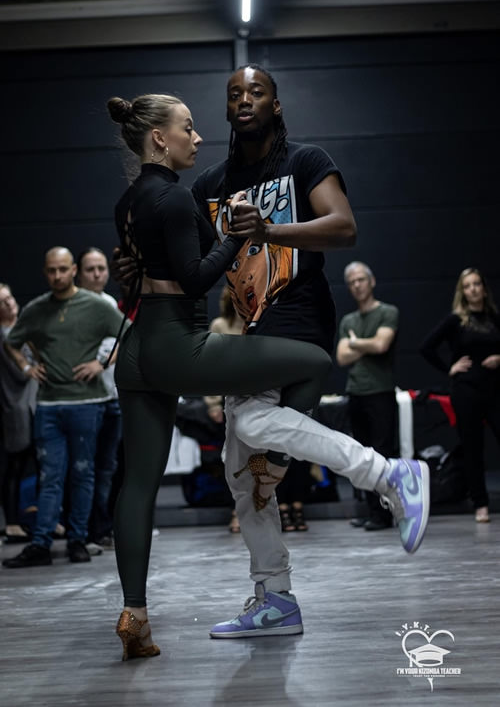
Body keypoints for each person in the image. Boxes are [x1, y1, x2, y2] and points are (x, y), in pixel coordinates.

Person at [107, 90, 429, 660]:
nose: (197, 136)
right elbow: (197, 276)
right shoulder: (182, 193)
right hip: (179, 342)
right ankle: (388, 475)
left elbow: (140, 268)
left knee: (151, 484)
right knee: (307, 372)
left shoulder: (129, 201)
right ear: (159, 137)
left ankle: (140, 612)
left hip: (138, 349)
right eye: (187, 127)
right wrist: (238, 236)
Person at [2, 247, 126, 568]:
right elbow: (12, 341)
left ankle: (77, 540)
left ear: (73, 270)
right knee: (51, 476)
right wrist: (27, 368)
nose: (57, 276)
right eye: (51, 270)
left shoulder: (96, 305)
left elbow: (126, 333)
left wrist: (102, 363)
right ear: (45, 273)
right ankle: (41, 543)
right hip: (49, 404)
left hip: (87, 403)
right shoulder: (36, 309)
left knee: (83, 473)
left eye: (62, 269)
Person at [420, 267, 500, 523]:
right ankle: (480, 503)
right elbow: (426, 347)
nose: (473, 289)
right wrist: (449, 368)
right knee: (472, 448)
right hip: (466, 391)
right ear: (462, 292)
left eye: (477, 284)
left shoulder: (494, 318)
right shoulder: (456, 320)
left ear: (484, 289)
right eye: (467, 286)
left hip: (494, 389)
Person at [336, 261, 399, 531]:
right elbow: (341, 357)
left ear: (371, 281)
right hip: (356, 393)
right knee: (362, 456)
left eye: (361, 279)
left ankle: (387, 514)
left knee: (383, 454)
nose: (357, 285)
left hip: (380, 392)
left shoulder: (387, 312)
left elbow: (382, 344)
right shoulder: (348, 321)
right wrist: (367, 344)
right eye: (351, 282)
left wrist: (355, 343)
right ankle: (373, 512)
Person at [77, 247, 122, 550]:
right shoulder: (71, 304)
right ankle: (80, 532)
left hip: (111, 396)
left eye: (101, 268)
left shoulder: (108, 304)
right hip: (81, 398)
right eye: (90, 269)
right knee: (82, 469)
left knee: (107, 467)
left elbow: (122, 338)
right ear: (78, 273)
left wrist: (101, 363)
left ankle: (100, 529)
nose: (97, 274)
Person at [0, 283, 38, 543]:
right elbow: (21, 372)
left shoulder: (24, 326)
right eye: (1, 301)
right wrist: (34, 365)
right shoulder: (4, 337)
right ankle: (12, 523)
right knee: (15, 464)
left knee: (41, 463)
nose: (8, 303)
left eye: (9, 297)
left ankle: (47, 519)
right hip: (16, 406)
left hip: (35, 404)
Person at [209, 286, 244, 531]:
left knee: (259, 459)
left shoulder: (256, 324)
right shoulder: (220, 325)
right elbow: (208, 367)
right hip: (229, 401)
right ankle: (237, 510)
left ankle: (258, 508)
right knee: (233, 459)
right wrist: (212, 403)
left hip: (257, 396)